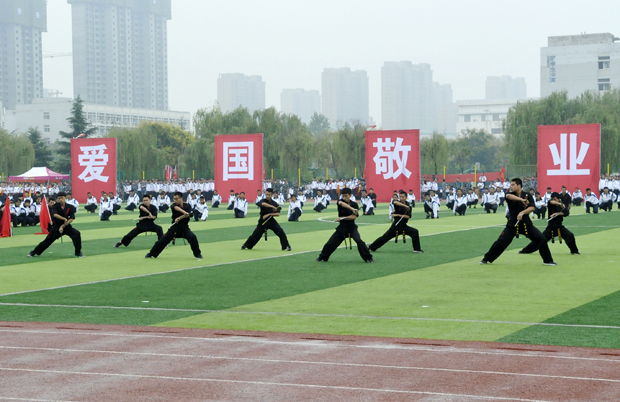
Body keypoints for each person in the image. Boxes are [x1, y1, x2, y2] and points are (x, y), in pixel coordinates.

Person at [480, 178, 555, 266]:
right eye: (511, 185)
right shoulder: (510, 194)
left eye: (513, 185)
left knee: (541, 239)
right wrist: (521, 200)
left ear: (519, 186)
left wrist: (522, 212)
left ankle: (547, 261)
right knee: (501, 242)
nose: (511, 186)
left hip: (526, 224)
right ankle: (486, 259)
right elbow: (508, 196)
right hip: (512, 225)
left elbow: (532, 207)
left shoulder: (527, 195)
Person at [316, 187, 373, 262]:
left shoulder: (354, 204)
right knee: (330, 243)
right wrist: (352, 209)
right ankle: (322, 257)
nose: (344, 197)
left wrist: (342, 218)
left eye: (346, 196)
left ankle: (369, 258)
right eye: (343, 196)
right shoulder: (340, 202)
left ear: (350, 195)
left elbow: (353, 217)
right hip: (342, 228)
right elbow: (342, 204)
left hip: (352, 227)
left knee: (359, 241)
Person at [145, 192, 203, 259]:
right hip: (174, 229)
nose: (175, 200)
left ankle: (197, 254)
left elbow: (190, 214)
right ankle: (151, 253)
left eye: (176, 199)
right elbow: (176, 208)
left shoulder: (187, 206)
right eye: (174, 199)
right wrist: (184, 213)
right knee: (162, 241)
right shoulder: (173, 205)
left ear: (181, 198)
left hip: (184, 229)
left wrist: (180, 217)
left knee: (192, 237)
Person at [520, 192, 579, 256]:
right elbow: (551, 202)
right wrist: (559, 204)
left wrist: (557, 213)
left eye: (555, 199)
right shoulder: (551, 203)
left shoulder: (562, 206)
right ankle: (525, 250)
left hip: (560, 227)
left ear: (559, 199)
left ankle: (574, 251)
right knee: (541, 239)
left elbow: (566, 213)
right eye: (552, 199)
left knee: (570, 235)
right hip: (551, 227)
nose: (553, 200)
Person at [28, 192, 84, 258]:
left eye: (62, 198)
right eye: (59, 198)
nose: (61, 199)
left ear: (65, 198)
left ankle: (78, 252)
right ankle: (35, 251)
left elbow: (71, 218)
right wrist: (64, 219)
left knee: (76, 234)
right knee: (48, 240)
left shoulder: (70, 207)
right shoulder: (55, 206)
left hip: (66, 226)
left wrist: (63, 225)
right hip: (56, 227)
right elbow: (55, 215)